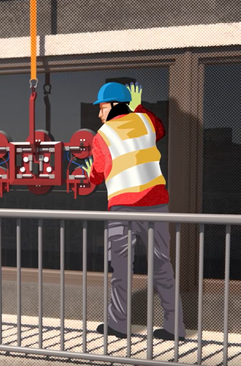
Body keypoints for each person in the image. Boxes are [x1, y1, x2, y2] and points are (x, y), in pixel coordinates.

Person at [82, 82, 186, 341]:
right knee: (162, 266)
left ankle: (118, 324)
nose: (99, 114)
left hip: (123, 209)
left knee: (121, 269)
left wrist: (89, 174)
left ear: (115, 106)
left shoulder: (103, 135)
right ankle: (175, 327)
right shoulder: (145, 121)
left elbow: (97, 173)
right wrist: (138, 106)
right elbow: (159, 130)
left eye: (102, 107)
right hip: (156, 205)